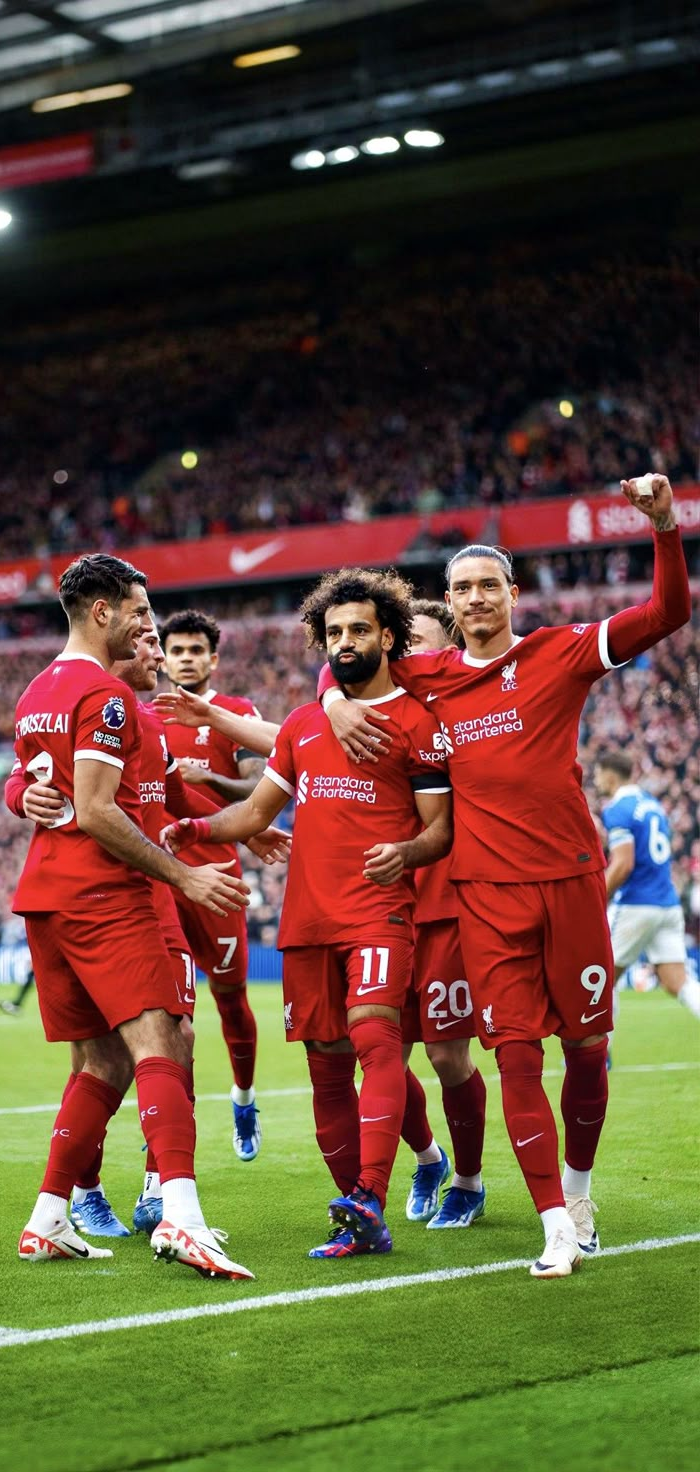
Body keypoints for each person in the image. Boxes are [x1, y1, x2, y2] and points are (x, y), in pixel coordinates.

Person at [318, 475, 691, 1277]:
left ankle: (580, 1190)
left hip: (572, 882)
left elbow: (667, 616)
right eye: (462, 589)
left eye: (489, 584)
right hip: (485, 897)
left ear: (513, 593)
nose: (476, 597)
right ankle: (555, 1223)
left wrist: (662, 526)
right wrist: (333, 705)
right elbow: (346, 653)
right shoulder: (432, 674)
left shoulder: (560, 652)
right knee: (517, 1056)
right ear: (449, 603)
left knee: (588, 1050)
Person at [160, 568, 453, 1259]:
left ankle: (371, 1195)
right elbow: (256, 813)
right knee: (326, 1065)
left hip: (379, 910)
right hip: (307, 922)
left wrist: (407, 852)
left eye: (358, 630)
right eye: (334, 633)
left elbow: (441, 829)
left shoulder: (418, 723)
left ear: (388, 635)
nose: (345, 643)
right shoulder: (301, 724)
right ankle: (356, 1214)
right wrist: (194, 833)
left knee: (378, 1044)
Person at [10, 552, 255, 1279]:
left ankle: (49, 1216)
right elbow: (96, 809)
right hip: (108, 895)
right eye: (141, 615)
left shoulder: (36, 692)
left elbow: (40, 785)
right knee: (163, 1039)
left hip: (47, 896)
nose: (149, 627)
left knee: (102, 1059)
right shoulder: (105, 697)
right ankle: (181, 1217)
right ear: (102, 612)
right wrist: (186, 876)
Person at [161, 610, 266, 1161]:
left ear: (212, 658)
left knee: (230, 999)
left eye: (194, 650)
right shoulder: (142, 716)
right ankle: (169, 1155)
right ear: (163, 655)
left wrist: (209, 778)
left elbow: (257, 787)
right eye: (175, 649)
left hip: (221, 878)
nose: (184, 658)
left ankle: (244, 1098)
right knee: (173, 1017)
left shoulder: (237, 713)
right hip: (164, 879)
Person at [401, 601, 488, 1230]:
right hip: (378, 904)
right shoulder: (368, 710)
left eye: (421, 647)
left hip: (444, 904)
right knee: (371, 1051)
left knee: (447, 1057)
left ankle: (468, 1178)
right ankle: (429, 1157)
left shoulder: (467, 710)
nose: (409, 660)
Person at [593, 750, 700, 1019]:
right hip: (667, 903)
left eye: (597, 774)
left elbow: (623, 864)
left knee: (601, 979)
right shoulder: (652, 804)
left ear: (609, 775)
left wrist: (596, 899)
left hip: (635, 904)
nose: (595, 780)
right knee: (679, 982)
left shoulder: (618, 808)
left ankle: (599, 1060)